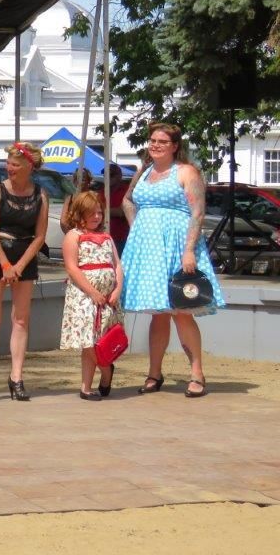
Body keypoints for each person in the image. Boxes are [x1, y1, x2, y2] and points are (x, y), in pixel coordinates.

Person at [121, 123, 224, 397]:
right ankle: (154, 373)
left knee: (181, 311)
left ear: (174, 146)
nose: (155, 145)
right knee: (158, 314)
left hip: (177, 246)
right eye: (152, 140)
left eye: (162, 141)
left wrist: (189, 250)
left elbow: (198, 212)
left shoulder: (186, 172)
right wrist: (138, 228)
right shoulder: (144, 172)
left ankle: (197, 373)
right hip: (149, 249)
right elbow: (128, 201)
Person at [0, 141, 49, 403]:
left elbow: (40, 236)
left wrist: (19, 265)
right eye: (8, 163)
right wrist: (6, 265)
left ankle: (16, 377)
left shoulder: (40, 194)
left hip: (25, 254)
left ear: (29, 166)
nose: (10, 168)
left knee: (20, 319)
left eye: (15, 164)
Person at [59, 191, 124, 400]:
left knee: (102, 339)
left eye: (99, 212)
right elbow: (72, 268)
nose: (97, 217)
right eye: (91, 213)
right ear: (79, 214)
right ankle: (98, 377)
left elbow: (117, 265)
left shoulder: (107, 238)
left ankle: (101, 374)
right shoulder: (73, 236)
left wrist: (117, 289)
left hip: (107, 299)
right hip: (84, 296)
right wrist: (93, 292)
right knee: (88, 341)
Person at [58, 168, 104, 234]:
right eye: (78, 178)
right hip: (73, 234)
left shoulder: (94, 196)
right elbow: (63, 221)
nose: (81, 180)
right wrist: (71, 234)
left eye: (83, 178)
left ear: (88, 180)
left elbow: (101, 218)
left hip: (91, 234)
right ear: (75, 181)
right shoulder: (70, 198)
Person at [106, 163, 131, 253]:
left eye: (111, 175)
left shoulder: (126, 191)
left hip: (122, 238)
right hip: (105, 235)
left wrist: (103, 211)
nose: (108, 177)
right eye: (105, 175)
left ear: (119, 176)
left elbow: (122, 212)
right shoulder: (102, 191)